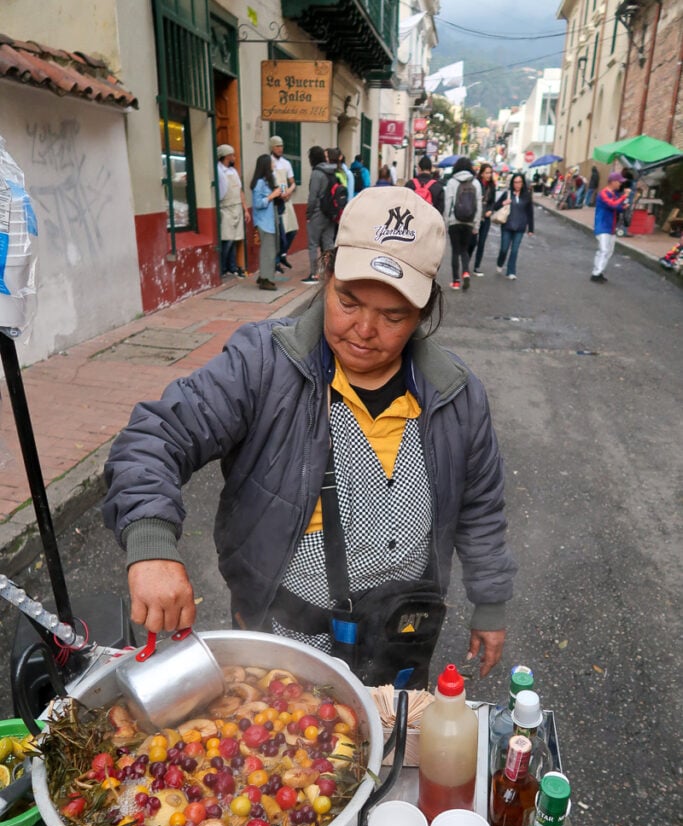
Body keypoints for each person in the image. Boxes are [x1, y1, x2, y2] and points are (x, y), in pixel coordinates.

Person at [102, 186, 516, 687]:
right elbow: (156, 436)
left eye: (393, 316)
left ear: (424, 315)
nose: (364, 330)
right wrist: (151, 544)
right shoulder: (262, 365)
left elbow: (480, 508)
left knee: (392, 753)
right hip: (283, 639)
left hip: (403, 638)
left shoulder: (456, 394)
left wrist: (490, 604)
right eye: (349, 301)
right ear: (326, 276)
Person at [444, 157, 482, 291]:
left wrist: (446, 222)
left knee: (455, 251)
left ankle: (455, 282)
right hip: (469, 221)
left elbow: (448, 203)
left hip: (455, 220)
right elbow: (478, 205)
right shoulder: (476, 183)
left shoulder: (452, 182)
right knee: (465, 250)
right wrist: (476, 225)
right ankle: (465, 271)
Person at [304, 145, 338, 284]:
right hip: (330, 213)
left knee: (313, 244)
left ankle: (314, 274)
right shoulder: (332, 170)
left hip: (317, 213)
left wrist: (308, 214)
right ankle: (329, 272)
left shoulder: (316, 173)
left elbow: (313, 197)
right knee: (328, 244)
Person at [216, 144, 250, 277]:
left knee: (235, 239)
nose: (234, 157)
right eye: (231, 155)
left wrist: (245, 210)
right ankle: (225, 268)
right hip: (227, 208)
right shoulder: (219, 171)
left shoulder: (233, 171)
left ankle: (232, 267)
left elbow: (240, 191)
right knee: (228, 239)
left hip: (237, 208)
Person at [494, 173, 534, 280]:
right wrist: (504, 203)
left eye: (520, 182)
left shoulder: (527, 195)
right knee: (504, 248)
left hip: (520, 227)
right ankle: (500, 262)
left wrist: (531, 228)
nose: (518, 184)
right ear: (512, 183)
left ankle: (511, 271)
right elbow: (495, 206)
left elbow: (530, 212)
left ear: (523, 183)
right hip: (507, 225)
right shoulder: (507, 193)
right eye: (516, 182)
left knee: (515, 250)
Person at [249, 153, 281, 291]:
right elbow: (257, 203)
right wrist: (272, 195)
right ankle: (266, 279)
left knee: (271, 249)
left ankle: (264, 276)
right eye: (272, 162)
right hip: (264, 222)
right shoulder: (259, 183)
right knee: (268, 251)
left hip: (270, 219)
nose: (274, 164)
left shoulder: (267, 180)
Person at [591, 171, 629, 282]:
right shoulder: (603, 193)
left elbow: (617, 207)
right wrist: (624, 197)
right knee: (603, 250)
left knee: (608, 251)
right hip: (602, 226)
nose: (620, 184)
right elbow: (612, 204)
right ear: (613, 182)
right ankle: (596, 273)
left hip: (611, 226)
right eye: (619, 182)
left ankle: (599, 271)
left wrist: (624, 207)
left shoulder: (614, 194)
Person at [269, 135, 298, 273]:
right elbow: (272, 183)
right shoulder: (269, 163)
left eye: (281, 146)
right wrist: (281, 193)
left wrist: (289, 191)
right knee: (280, 234)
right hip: (277, 201)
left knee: (293, 230)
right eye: (277, 146)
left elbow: (292, 182)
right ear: (272, 147)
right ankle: (276, 259)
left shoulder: (286, 163)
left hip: (287, 200)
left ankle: (283, 254)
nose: (280, 149)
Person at [468, 163, 496, 276]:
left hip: (486, 217)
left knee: (482, 243)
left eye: (490, 173)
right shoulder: (476, 183)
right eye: (487, 173)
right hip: (475, 217)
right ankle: (466, 265)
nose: (489, 175)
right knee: (472, 242)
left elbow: (492, 201)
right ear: (482, 173)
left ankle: (476, 267)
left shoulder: (492, 186)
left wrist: (490, 210)